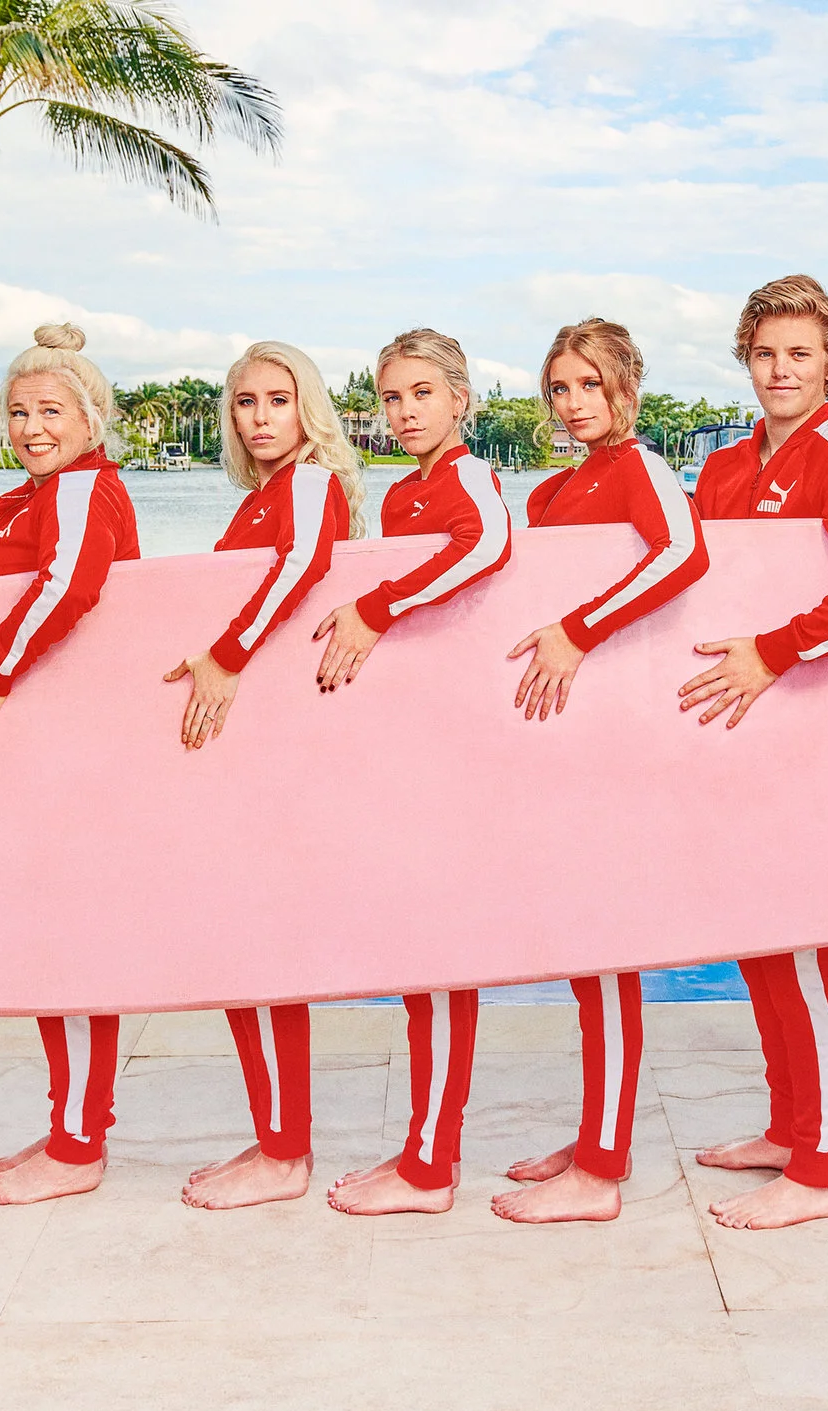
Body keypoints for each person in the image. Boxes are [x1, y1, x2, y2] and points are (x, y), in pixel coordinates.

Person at [680, 274, 828, 1231]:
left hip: (810, 730)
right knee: (758, 941)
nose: (781, 371)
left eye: (801, 356)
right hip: (742, 731)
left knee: (802, 942)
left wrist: (777, 651)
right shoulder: (727, 468)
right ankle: (788, 1125)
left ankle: (819, 1171)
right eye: (767, 353)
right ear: (747, 358)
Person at [490, 317, 711, 1225]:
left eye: (590, 384)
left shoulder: (640, 468)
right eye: (560, 388)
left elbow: (683, 554)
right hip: (562, 739)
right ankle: (593, 1136)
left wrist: (579, 633)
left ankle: (605, 1167)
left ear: (625, 388)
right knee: (581, 949)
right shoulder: (550, 494)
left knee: (607, 946)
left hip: (618, 737)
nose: (574, 403)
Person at [319, 328, 514, 1217]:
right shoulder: (404, 494)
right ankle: (423, 1149)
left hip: (456, 750)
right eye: (392, 398)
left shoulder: (470, 478)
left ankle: (431, 1166)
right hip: (411, 742)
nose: (404, 413)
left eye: (422, 395)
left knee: (437, 953)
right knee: (418, 954)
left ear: (460, 401)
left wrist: (373, 606)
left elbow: (487, 549)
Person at [166, 340, 363, 1210]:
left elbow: (304, 567)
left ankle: (285, 1152)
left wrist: (225, 654)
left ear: (306, 408)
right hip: (252, 744)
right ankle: (276, 1138)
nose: (260, 417)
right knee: (240, 941)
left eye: (277, 400)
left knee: (258, 940)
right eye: (245, 403)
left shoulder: (312, 484)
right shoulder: (258, 500)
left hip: (286, 748)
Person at [0, 323, 144, 1207]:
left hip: (68, 753)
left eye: (52, 410)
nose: (31, 427)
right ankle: (75, 1122)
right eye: (19, 411)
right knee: (51, 939)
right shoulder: (26, 499)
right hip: (39, 747)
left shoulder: (78, 489)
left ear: (92, 416)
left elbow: (71, 586)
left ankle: (77, 1145)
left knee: (62, 939)